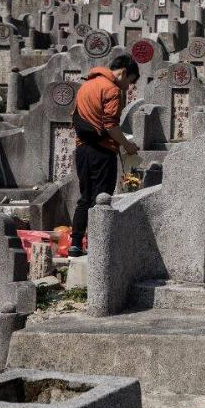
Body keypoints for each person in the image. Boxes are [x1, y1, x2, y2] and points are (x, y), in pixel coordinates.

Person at [68, 55, 140, 257]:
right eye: (130, 81)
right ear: (123, 72)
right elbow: (110, 125)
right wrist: (127, 145)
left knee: (86, 197)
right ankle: (97, 244)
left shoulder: (86, 85)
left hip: (82, 149)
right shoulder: (112, 89)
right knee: (102, 197)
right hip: (102, 151)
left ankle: (75, 243)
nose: (128, 87)